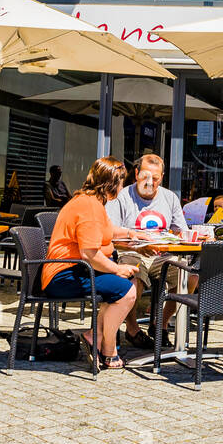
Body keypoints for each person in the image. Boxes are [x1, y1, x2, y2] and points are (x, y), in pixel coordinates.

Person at [41, 157, 139, 369]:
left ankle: (95, 336)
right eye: (121, 182)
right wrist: (117, 269)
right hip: (65, 275)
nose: (122, 187)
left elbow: (107, 230)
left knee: (119, 290)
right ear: (111, 183)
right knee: (127, 292)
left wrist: (132, 233)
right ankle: (108, 347)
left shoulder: (91, 202)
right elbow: (89, 254)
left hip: (74, 270)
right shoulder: (89, 207)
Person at [105, 153, 190, 349]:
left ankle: (160, 322)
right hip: (132, 252)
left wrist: (191, 237)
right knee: (132, 280)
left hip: (163, 255)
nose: (150, 182)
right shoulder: (121, 196)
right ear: (136, 174)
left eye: (156, 177)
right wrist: (139, 244)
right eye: (145, 176)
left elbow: (181, 231)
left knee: (189, 276)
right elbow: (111, 234)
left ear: (162, 177)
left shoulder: (169, 198)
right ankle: (132, 328)